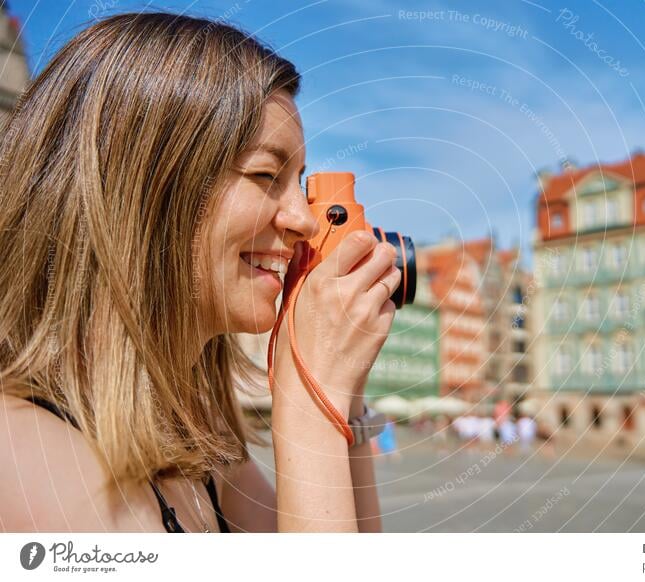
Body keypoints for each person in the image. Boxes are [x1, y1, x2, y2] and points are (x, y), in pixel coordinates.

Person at [0, 13, 401, 532]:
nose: (302, 220)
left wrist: (341, 398)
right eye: (264, 175)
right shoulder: (24, 454)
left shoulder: (200, 448)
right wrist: (308, 402)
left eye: (298, 183)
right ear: (145, 192)